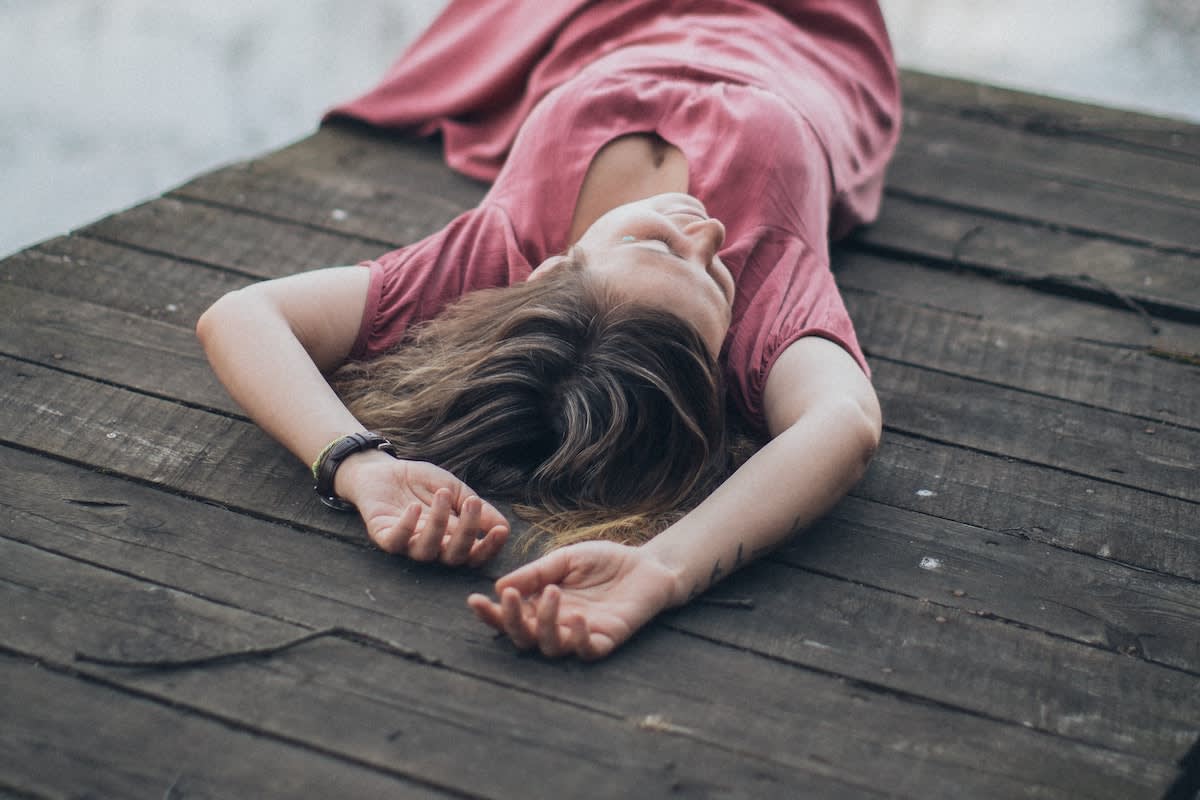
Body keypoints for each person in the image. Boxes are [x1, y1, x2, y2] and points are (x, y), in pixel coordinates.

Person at [196, 0, 900, 660]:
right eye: (719, 278)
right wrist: (663, 569)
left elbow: (243, 315)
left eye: (656, 248)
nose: (708, 234)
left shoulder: (496, 250)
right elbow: (844, 422)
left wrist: (360, 467)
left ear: (551, 271)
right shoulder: (771, 281)